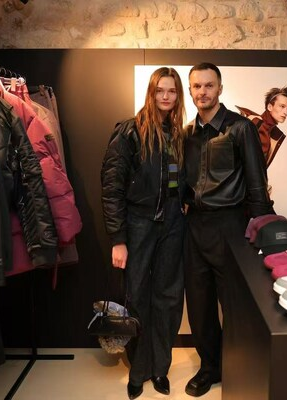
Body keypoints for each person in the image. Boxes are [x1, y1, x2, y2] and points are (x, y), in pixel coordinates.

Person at [183, 62, 274, 397]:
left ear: (220, 88)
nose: (203, 92)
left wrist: (260, 228)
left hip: (231, 225)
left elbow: (257, 182)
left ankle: (238, 367)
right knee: (199, 304)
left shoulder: (240, 128)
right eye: (197, 86)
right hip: (195, 226)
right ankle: (210, 367)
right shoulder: (187, 133)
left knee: (235, 305)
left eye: (209, 85)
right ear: (190, 90)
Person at [100, 67, 186, 400]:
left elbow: (179, 180)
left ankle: (160, 368)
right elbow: (112, 187)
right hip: (138, 224)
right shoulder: (130, 131)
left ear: (178, 95)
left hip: (173, 225)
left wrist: (186, 201)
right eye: (160, 90)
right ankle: (138, 371)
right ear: (151, 93)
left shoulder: (178, 134)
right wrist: (118, 239)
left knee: (168, 298)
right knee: (136, 297)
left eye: (172, 91)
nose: (166, 96)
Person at [236, 86, 287, 168]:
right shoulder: (254, 123)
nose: (286, 112)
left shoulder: (272, 133)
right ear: (270, 107)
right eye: (282, 106)